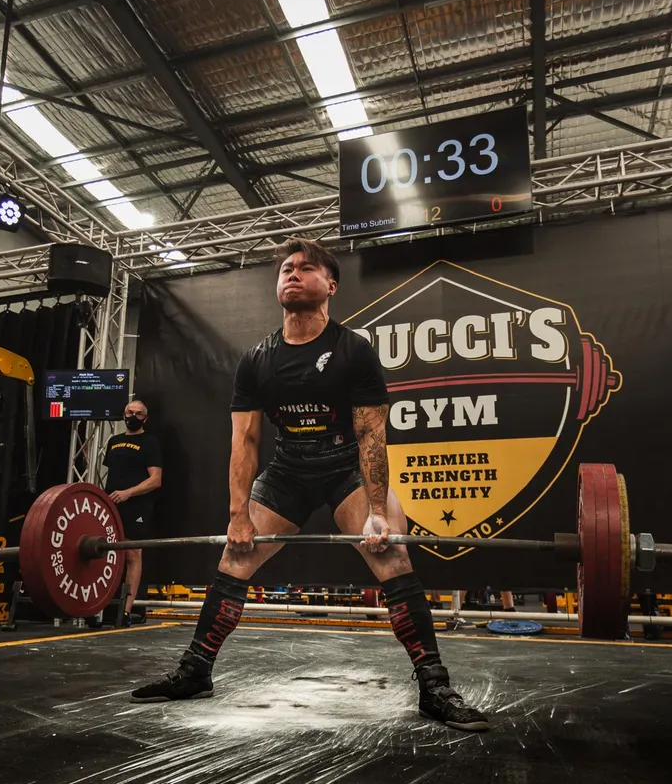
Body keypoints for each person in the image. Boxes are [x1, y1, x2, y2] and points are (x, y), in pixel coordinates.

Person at [132, 239, 489, 732]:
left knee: (393, 556)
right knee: (234, 557)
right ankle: (195, 672)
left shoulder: (353, 351)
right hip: (289, 472)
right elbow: (245, 440)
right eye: (286, 269)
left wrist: (377, 512)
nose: (292, 275)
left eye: (305, 268)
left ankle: (434, 686)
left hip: (345, 469)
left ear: (331, 285)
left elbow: (370, 436)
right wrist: (238, 515)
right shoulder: (257, 360)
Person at [103, 399, 163, 624]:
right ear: (123, 414)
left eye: (139, 414)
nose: (133, 417)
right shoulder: (113, 441)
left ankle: (126, 610)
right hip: (111, 504)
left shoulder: (150, 443)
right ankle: (102, 607)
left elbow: (156, 480)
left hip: (137, 505)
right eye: (130, 412)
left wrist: (128, 493)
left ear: (145, 418)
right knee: (106, 553)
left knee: (132, 554)